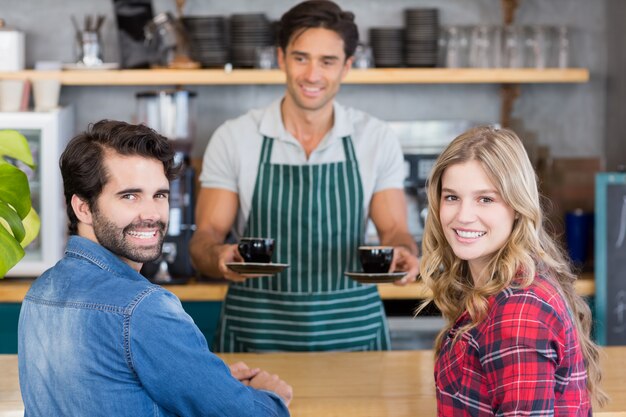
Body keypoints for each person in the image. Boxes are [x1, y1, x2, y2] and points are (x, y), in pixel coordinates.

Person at [18, 120, 292, 416]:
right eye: (130, 196)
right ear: (83, 207)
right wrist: (269, 396)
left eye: (159, 195)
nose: (151, 214)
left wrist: (207, 380)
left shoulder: (39, 292)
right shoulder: (143, 309)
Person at [189, 0, 419, 353]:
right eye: (301, 58)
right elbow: (204, 238)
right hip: (256, 336)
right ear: (281, 58)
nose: (312, 75)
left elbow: (394, 231)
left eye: (327, 61)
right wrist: (219, 256)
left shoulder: (374, 137)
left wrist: (403, 253)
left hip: (354, 335)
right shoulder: (235, 137)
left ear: (347, 67)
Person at [417, 125, 608, 415]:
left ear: (518, 206)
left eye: (486, 199)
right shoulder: (506, 286)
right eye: (452, 197)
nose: (463, 216)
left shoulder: (519, 312)